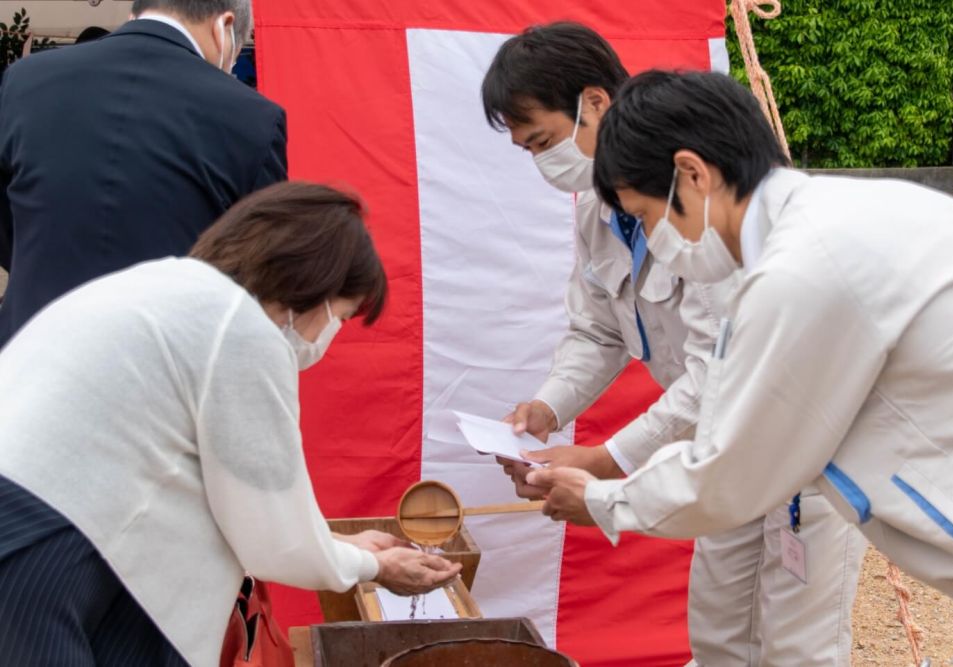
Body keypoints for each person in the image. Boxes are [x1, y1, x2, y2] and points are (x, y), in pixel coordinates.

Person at [532, 68, 953, 664]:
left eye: (647, 217)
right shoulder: (828, 223)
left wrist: (605, 497)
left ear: (693, 175)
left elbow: (731, 468)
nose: (655, 241)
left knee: (797, 642)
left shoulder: (805, 265)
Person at [481, 23, 864, 666]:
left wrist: (607, 464)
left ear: (595, 103)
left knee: (800, 646)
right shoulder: (596, 210)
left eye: (543, 141)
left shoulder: (707, 201)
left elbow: (719, 370)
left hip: (804, 449)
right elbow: (599, 327)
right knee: (721, 632)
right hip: (718, 444)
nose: (543, 163)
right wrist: (548, 407)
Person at [0, 182, 462, 666]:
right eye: (340, 317)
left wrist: (340, 544)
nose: (330, 335)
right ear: (315, 285)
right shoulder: (240, 329)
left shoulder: (171, 284)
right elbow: (274, 538)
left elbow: (224, 501)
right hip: (45, 545)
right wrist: (374, 565)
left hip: (45, 524)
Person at [0, 0, 287, 349]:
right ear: (224, 27)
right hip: (170, 367)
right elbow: (263, 272)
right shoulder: (253, 117)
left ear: (134, 14)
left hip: (29, 354)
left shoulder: (24, 80)